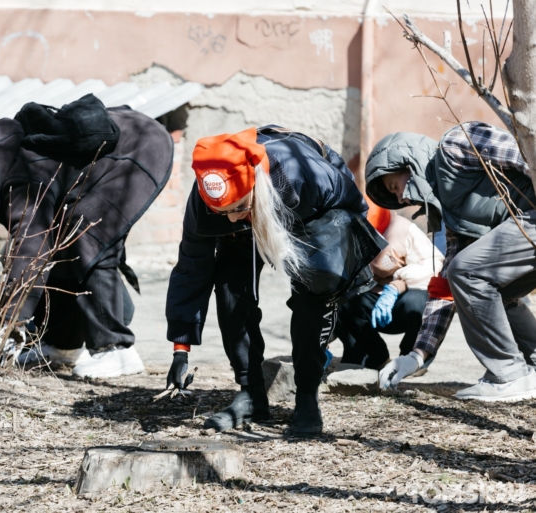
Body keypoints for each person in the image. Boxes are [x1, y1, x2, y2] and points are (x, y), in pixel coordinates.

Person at [165, 126, 381, 434]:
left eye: (237, 208)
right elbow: (191, 269)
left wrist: (340, 268)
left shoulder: (305, 176)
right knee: (231, 291)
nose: (231, 219)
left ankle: (307, 396)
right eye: (221, 211)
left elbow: (353, 209)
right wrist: (180, 348)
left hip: (305, 209)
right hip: (259, 203)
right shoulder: (207, 199)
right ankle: (250, 393)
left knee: (315, 289)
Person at [0, 94, 174, 378]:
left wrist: (8, 325)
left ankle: (116, 351)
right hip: (128, 138)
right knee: (65, 241)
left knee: (88, 236)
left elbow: (32, 250)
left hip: (140, 149)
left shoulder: (19, 179)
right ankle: (62, 345)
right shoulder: (4, 159)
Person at [366, 121, 536, 401]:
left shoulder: (457, 143)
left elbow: (524, 154)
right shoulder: (453, 216)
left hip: (531, 219)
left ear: (409, 163)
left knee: (467, 271)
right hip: (525, 232)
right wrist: (416, 356)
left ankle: (508, 375)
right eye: (395, 196)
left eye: (395, 186)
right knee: (486, 285)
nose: (401, 197)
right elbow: (448, 287)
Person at [335, 203, 444, 369]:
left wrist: (397, 284)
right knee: (339, 300)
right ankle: (372, 356)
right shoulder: (347, 234)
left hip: (402, 303)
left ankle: (412, 359)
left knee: (419, 301)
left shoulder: (403, 230)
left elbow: (435, 268)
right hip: (367, 304)